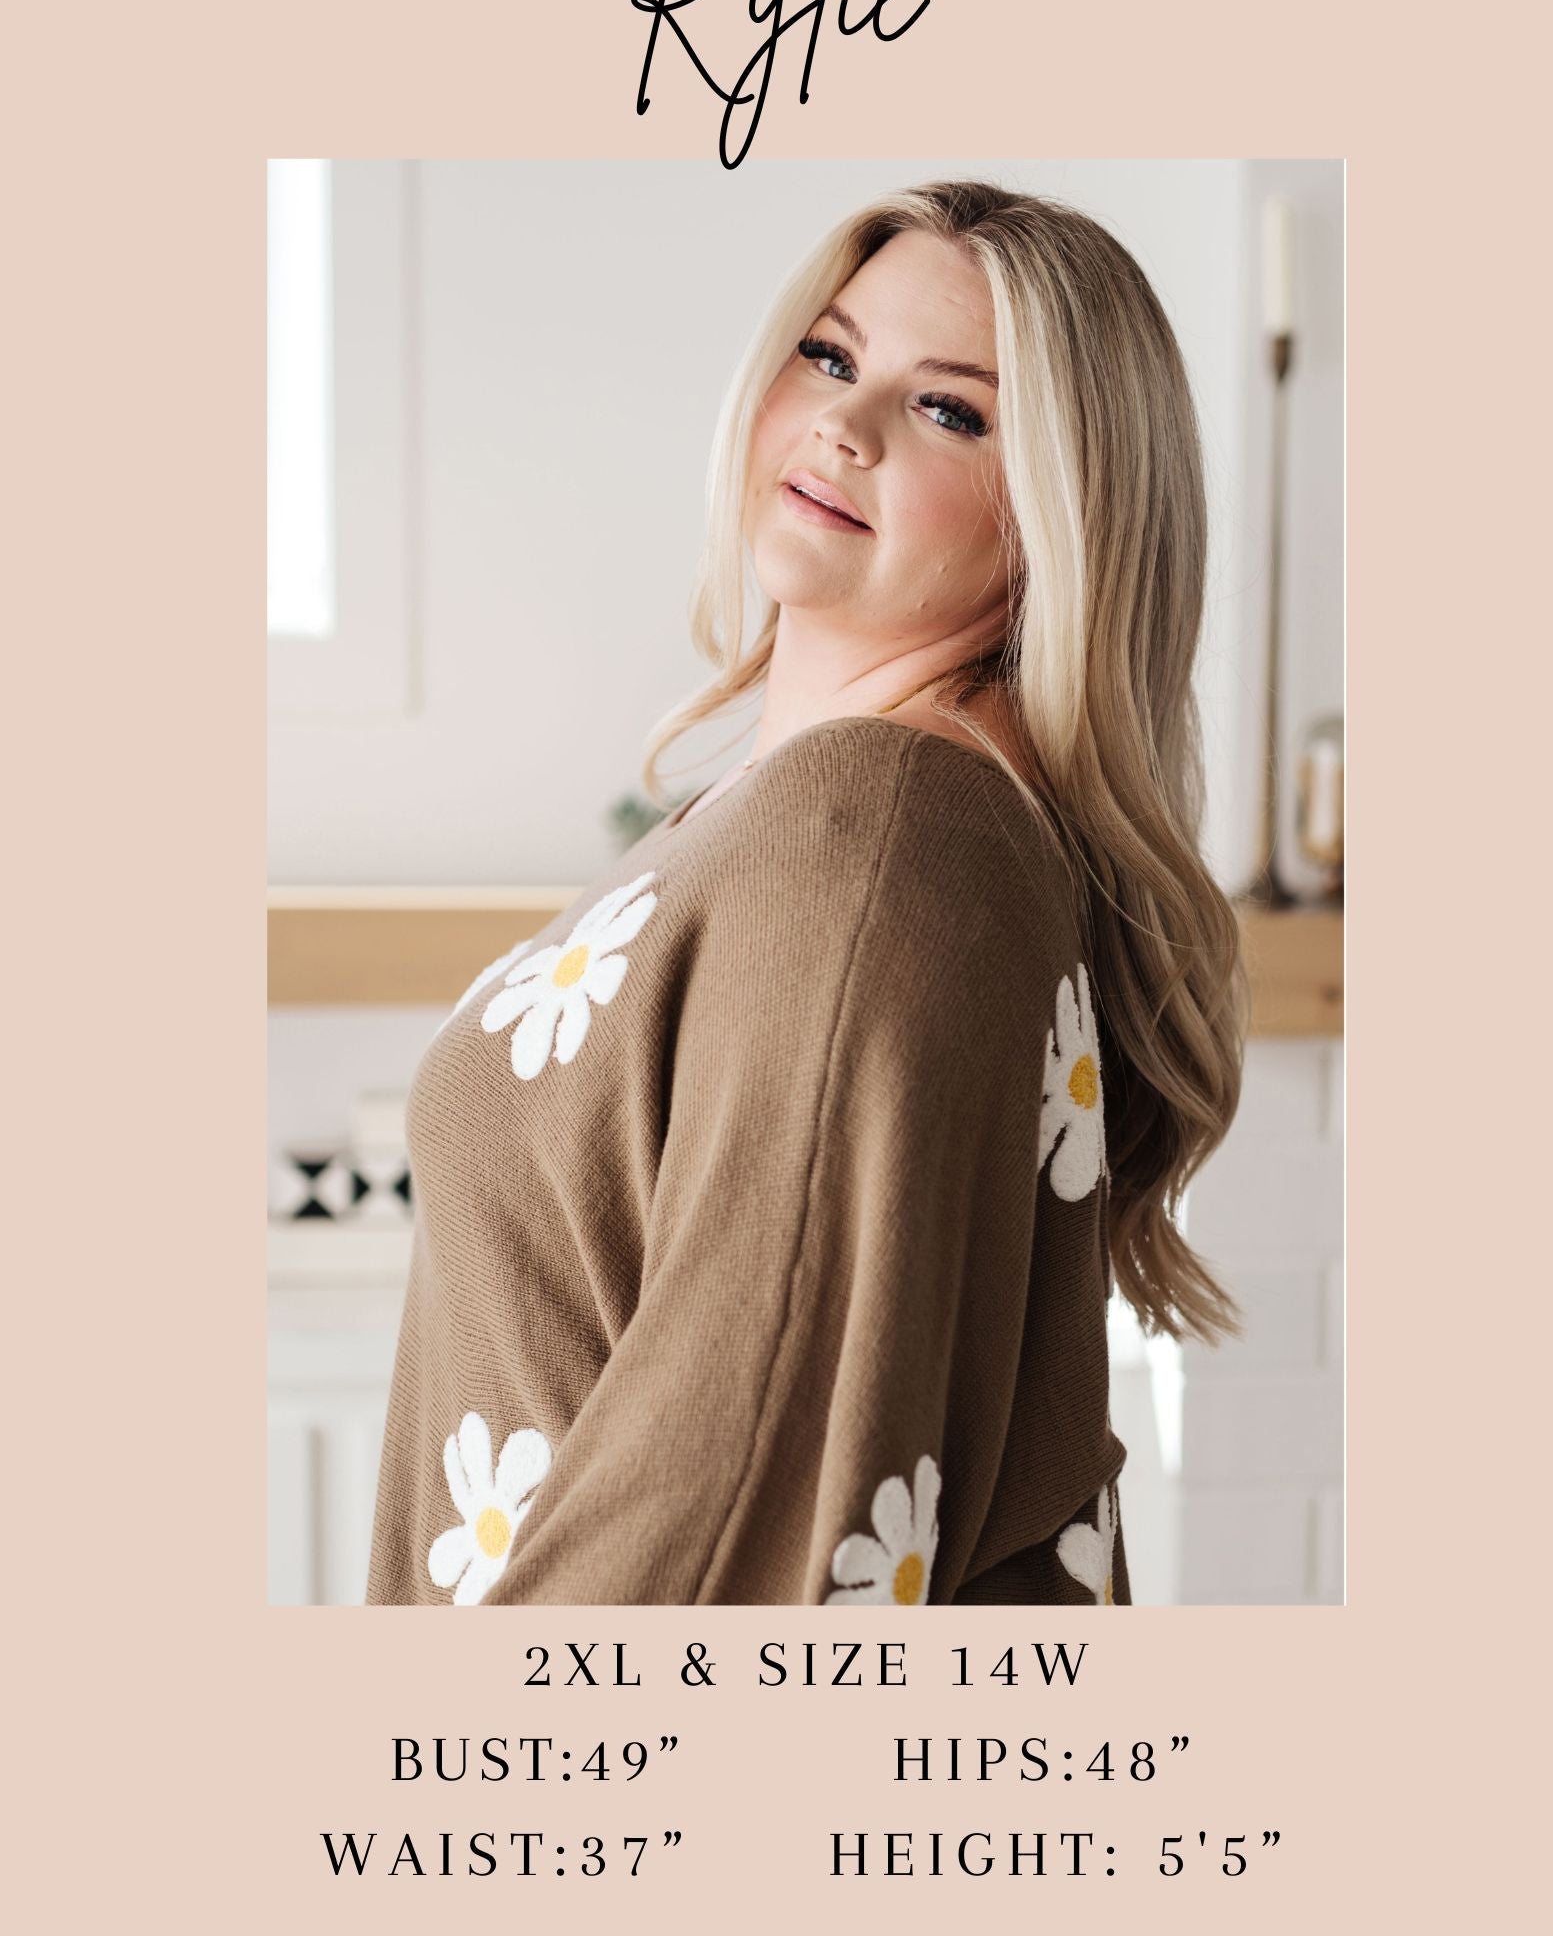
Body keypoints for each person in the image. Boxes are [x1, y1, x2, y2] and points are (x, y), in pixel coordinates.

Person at [365, 178, 1248, 1608]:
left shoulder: (884, 838)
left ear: (1063, 520)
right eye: (831, 356)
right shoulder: (834, 817)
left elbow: (730, 1535)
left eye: (949, 409)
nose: (846, 423)